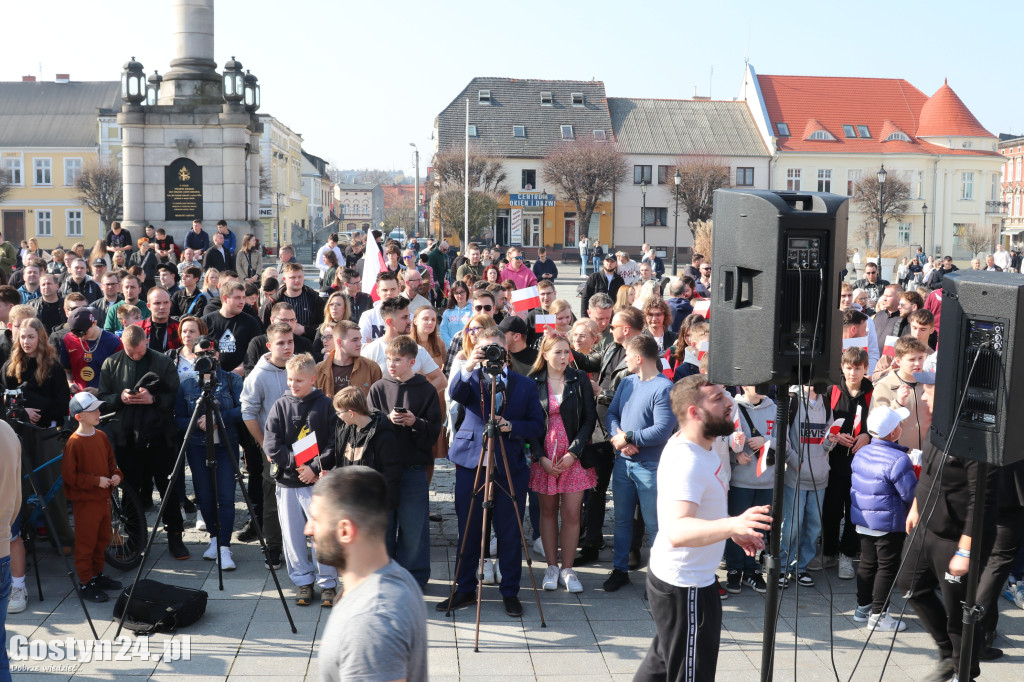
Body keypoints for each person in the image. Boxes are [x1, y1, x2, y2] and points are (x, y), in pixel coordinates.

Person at [635, 375, 771, 682]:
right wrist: (733, 523)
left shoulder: (704, 446)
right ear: (695, 412)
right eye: (718, 399)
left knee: (661, 664)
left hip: (689, 580)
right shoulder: (689, 460)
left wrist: (729, 531)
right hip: (685, 587)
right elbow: (677, 530)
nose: (729, 403)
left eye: (726, 395)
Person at [438, 327, 545, 617]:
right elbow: (455, 393)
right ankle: (464, 589)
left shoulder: (524, 385)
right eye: (485, 349)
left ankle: (510, 591)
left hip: (509, 465)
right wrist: (470, 363)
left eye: (495, 349)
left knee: (510, 533)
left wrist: (513, 427)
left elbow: (538, 425)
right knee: (469, 528)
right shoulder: (470, 378)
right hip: (472, 463)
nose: (491, 355)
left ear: (506, 351)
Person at [900, 372, 988, 682]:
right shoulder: (938, 428)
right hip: (924, 527)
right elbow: (928, 472)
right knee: (910, 586)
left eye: (928, 391)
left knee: (958, 613)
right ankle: (946, 653)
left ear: (949, 395)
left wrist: (965, 550)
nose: (923, 396)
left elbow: (980, 501)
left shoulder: (974, 440)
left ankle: (964, 671)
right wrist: (915, 506)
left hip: (954, 538)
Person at [307, 467, 428, 682]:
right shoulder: (398, 576)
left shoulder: (370, 622)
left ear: (345, 531)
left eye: (316, 519)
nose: (308, 529)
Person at [97, 325, 186, 558]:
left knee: (168, 488)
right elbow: (103, 398)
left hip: (160, 435)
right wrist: (120, 398)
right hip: (126, 437)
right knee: (130, 491)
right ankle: (135, 539)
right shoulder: (111, 363)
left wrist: (153, 399)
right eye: (130, 352)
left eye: (139, 351)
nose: (136, 356)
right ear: (123, 345)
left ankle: (175, 537)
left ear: (146, 341)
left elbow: (175, 395)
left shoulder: (162, 362)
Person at [603, 334, 677, 592]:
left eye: (627, 355)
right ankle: (620, 569)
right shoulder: (627, 382)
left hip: (650, 468)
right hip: (624, 464)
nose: (624, 359)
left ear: (638, 358)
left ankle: (659, 578)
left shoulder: (664, 388)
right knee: (622, 521)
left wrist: (630, 437)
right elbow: (612, 413)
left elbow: (662, 430)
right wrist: (619, 438)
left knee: (655, 524)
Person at [264, 353, 339, 606]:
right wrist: (298, 464)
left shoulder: (325, 405)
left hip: (316, 483)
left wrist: (315, 468)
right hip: (288, 482)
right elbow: (271, 443)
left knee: (321, 533)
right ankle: (302, 580)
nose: (292, 385)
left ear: (313, 379)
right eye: (290, 379)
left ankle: (328, 582)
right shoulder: (280, 405)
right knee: (293, 534)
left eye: (298, 380)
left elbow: (334, 443)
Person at [367, 335, 442, 587]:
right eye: (388, 359)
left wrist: (415, 422)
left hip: (413, 468)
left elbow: (434, 431)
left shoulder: (426, 389)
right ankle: (384, 576)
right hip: (383, 471)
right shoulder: (378, 388)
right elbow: (367, 429)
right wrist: (385, 420)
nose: (391, 364)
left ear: (412, 362)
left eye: (397, 360)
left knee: (414, 528)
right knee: (383, 526)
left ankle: (414, 579)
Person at [528, 336, 597, 593]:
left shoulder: (579, 380)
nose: (563, 357)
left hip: (573, 456)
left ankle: (568, 569)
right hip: (544, 455)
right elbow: (527, 423)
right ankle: (551, 566)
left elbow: (589, 419)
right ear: (545, 354)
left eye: (567, 352)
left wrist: (574, 453)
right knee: (546, 512)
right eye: (557, 352)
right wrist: (540, 457)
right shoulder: (532, 381)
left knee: (571, 513)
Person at [174, 338, 244, 570]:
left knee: (225, 496)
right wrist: (198, 423)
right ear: (193, 357)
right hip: (197, 446)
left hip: (225, 446)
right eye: (201, 353)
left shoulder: (233, 380)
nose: (207, 357)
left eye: (211, 352)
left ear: (218, 355)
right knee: (204, 495)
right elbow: (179, 419)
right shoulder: (186, 385)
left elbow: (244, 409)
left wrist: (219, 418)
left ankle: (225, 547)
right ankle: (214, 538)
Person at [849, 404, 917, 632]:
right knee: (887, 567)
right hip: (889, 523)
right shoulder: (899, 459)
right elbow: (910, 494)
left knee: (867, 564)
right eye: (898, 424)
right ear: (893, 432)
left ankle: (862, 608)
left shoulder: (862, 452)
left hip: (864, 520)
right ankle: (879, 615)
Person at [240, 322, 295, 569]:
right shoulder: (258, 375)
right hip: (273, 447)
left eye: (290, 342)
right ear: (269, 345)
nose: (286, 347)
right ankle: (273, 547)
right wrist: (264, 445)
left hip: (303, 444)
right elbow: (248, 413)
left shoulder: (299, 366)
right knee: (274, 496)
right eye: (281, 343)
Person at [62, 392, 125, 603]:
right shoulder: (74, 443)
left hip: (103, 500)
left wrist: (116, 475)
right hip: (86, 502)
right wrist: (95, 481)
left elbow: (111, 464)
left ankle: (97, 575)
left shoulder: (101, 436)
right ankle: (86, 582)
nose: (99, 412)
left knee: (102, 540)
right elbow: (70, 476)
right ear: (79, 416)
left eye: (98, 408)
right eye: (93, 410)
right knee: (86, 543)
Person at [816, 348, 872, 580]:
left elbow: (878, 423)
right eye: (849, 367)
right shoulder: (832, 390)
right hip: (835, 459)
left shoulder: (872, 392)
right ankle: (828, 551)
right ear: (842, 367)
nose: (852, 372)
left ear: (865, 369)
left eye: (857, 368)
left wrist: (867, 435)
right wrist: (835, 436)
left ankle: (847, 554)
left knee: (854, 510)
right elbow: (823, 424)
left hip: (862, 461)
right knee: (831, 508)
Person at [723, 385, 775, 594]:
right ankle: (734, 570)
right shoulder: (733, 407)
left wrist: (767, 441)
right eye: (757, 383)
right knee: (737, 526)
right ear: (745, 386)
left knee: (759, 528)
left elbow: (786, 442)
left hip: (766, 481)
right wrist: (735, 455)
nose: (762, 387)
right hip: (740, 481)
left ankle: (752, 570)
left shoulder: (773, 408)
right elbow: (724, 441)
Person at [778, 385, 830, 588]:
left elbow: (826, 438)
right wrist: (793, 460)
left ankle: (800, 567)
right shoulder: (792, 400)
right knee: (792, 524)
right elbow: (782, 434)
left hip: (819, 476)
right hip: (796, 477)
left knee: (814, 525)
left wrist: (830, 441)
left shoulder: (825, 402)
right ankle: (782, 566)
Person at [202, 282, 263, 375]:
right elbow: (196, 350)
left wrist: (234, 374)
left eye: (243, 297)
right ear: (225, 298)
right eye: (237, 298)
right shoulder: (206, 321)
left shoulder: (251, 322)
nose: (242, 301)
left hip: (241, 380)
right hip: (211, 377)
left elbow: (255, 354)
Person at [315, 320, 381, 399]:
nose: (360, 344)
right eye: (354, 340)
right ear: (339, 342)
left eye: (360, 339)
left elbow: (378, 403)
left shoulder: (372, 368)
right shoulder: (319, 370)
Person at [581, 253, 624, 317]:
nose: (609, 264)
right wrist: (584, 316)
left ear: (616, 264)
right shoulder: (595, 277)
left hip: (612, 315)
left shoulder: (619, 280)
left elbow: (622, 299)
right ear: (604, 262)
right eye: (607, 261)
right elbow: (585, 296)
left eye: (612, 262)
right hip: (596, 313)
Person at [440, 282, 471, 347]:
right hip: (451, 349)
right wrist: (452, 343)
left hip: (468, 347)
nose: (460, 296)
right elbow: (443, 331)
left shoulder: (474, 311)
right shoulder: (447, 312)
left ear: (467, 292)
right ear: (453, 294)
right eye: (456, 293)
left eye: (462, 292)